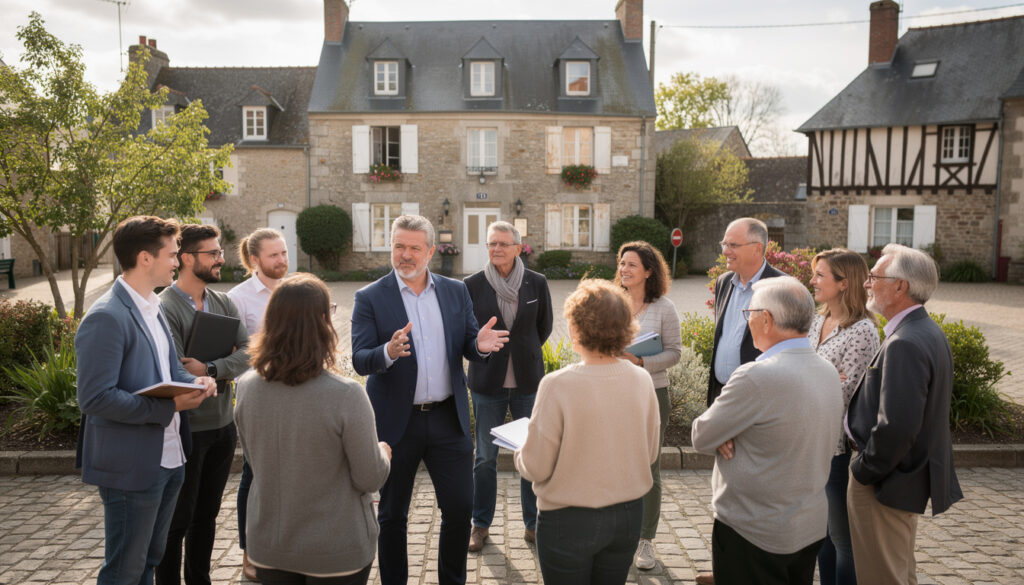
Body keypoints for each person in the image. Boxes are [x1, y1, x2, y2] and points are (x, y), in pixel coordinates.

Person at [350, 214, 509, 585]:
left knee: (460, 508)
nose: (405, 255)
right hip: (395, 423)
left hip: (447, 419)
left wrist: (479, 347)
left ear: (431, 251)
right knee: (392, 515)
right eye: (399, 246)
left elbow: (468, 341)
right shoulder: (370, 297)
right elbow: (359, 358)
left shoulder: (455, 291)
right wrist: (387, 352)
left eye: (414, 248)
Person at [75, 215, 216, 585]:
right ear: (145, 258)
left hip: (171, 457)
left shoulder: (153, 305)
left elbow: (169, 368)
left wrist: (196, 381)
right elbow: (95, 399)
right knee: (124, 570)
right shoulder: (106, 317)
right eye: (171, 254)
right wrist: (170, 406)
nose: (177, 261)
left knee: (150, 560)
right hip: (131, 466)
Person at [235, 273, 392, 585]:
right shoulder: (347, 394)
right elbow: (369, 477)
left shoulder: (247, 386)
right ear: (322, 321)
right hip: (335, 549)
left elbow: (255, 460)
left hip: (269, 547)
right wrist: (382, 453)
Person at [691, 276, 842, 585]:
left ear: (766, 319)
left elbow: (701, 435)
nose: (747, 322)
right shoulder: (827, 369)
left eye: (749, 313)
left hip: (754, 530)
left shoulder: (756, 375)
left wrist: (728, 432)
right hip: (808, 525)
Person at [515, 278, 660, 585]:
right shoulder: (642, 380)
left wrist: (519, 450)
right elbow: (650, 453)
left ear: (575, 327)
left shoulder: (557, 385)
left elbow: (536, 467)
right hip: (627, 515)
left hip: (567, 519)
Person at [846, 244, 962, 585]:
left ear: (900, 287)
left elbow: (897, 426)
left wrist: (864, 470)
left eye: (874, 277)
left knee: (881, 576)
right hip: (897, 478)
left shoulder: (905, 341)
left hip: (884, 482)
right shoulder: (922, 329)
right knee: (897, 573)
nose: (866, 283)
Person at [155, 224, 251, 585]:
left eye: (219, 252)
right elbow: (178, 368)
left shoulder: (223, 302)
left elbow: (248, 351)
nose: (220, 259)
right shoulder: (165, 307)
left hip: (223, 426)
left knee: (206, 516)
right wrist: (221, 366)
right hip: (187, 429)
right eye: (213, 253)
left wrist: (211, 369)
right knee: (176, 520)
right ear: (186, 258)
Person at [700, 218, 785, 585]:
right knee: (724, 490)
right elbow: (723, 340)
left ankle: (750, 571)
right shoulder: (724, 283)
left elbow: (784, 352)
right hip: (724, 396)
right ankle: (726, 568)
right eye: (724, 243)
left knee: (755, 493)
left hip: (759, 405)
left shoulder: (782, 288)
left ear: (758, 249)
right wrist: (719, 414)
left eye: (733, 245)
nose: (725, 251)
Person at [464, 221, 553, 551]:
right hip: (487, 383)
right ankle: (480, 525)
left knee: (529, 454)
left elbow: (544, 327)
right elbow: (466, 333)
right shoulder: (472, 285)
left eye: (503, 243)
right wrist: (482, 345)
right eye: (492, 244)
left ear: (518, 248)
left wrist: (523, 351)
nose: (497, 249)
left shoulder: (536, 282)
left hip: (527, 383)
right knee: (485, 458)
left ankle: (533, 525)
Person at [807, 249, 879, 585]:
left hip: (837, 449)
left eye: (820, 275)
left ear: (844, 283)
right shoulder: (816, 321)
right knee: (819, 534)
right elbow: (801, 372)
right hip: (809, 442)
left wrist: (812, 379)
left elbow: (844, 393)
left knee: (842, 538)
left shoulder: (863, 331)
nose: (812, 281)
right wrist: (822, 378)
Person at [613, 241, 682, 571]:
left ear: (649, 271)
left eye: (631, 264)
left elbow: (674, 353)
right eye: (622, 263)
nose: (624, 269)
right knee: (616, 464)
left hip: (652, 393)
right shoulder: (612, 302)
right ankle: (617, 535)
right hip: (613, 392)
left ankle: (645, 540)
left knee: (649, 468)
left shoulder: (664, 308)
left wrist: (640, 361)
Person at [227, 227, 288, 582]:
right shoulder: (237, 299)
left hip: (297, 396)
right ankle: (249, 552)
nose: (282, 260)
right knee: (254, 474)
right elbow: (233, 353)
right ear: (254, 260)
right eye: (273, 255)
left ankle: (284, 546)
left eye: (284, 253)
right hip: (259, 398)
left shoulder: (295, 289)